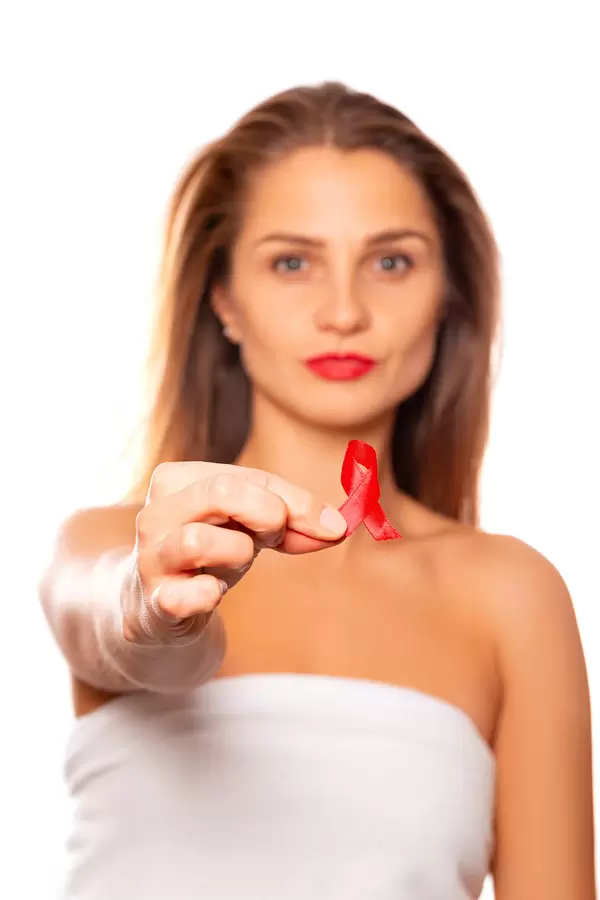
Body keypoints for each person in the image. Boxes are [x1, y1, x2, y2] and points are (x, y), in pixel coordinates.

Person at [40, 82, 595, 900]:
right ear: (224, 298)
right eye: (293, 262)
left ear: (448, 298)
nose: (344, 310)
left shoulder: (512, 598)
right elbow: (126, 626)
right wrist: (155, 606)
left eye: (391, 261)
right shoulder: (109, 546)